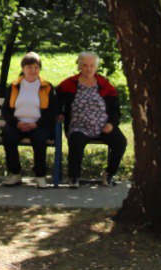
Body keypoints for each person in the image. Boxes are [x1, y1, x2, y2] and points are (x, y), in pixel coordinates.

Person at [57, 50, 126, 189]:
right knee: (76, 140)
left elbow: (115, 109)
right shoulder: (69, 84)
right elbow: (56, 101)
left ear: (96, 67)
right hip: (78, 125)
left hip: (102, 126)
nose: (88, 69)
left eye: (91, 65)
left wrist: (112, 124)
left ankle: (109, 174)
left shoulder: (104, 84)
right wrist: (60, 113)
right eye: (84, 65)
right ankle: (74, 177)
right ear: (79, 66)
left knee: (120, 142)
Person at [1, 51, 56, 189]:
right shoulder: (14, 86)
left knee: (39, 139)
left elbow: (52, 112)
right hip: (17, 123)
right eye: (29, 67)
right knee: (8, 136)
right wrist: (17, 123)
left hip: (39, 124)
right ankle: (15, 173)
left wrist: (36, 124)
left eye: (36, 67)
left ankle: (40, 176)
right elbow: (5, 110)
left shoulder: (47, 87)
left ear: (40, 69)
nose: (32, 70)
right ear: (23, 69)